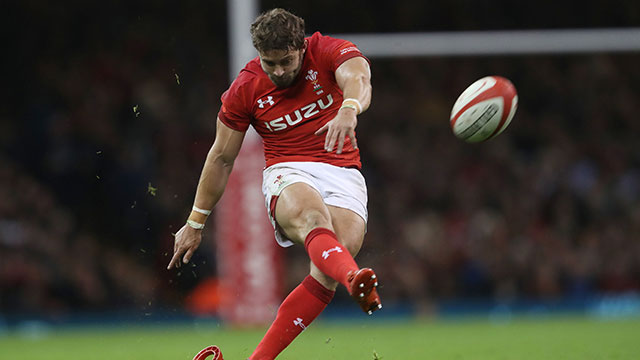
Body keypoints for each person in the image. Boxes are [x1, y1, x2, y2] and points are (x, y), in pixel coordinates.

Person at [167, 8, 381, 360]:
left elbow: (359, 77)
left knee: (330, 266)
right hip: (288, 169)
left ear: (301, 47)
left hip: (342, 169)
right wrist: (195, 221)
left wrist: (349, 108)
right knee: (314, 219)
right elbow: (221, 157)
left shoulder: (327, 51)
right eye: (270, 63)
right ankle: (355, 279)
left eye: (286, 62)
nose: (278, 71)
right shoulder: (245, 88)